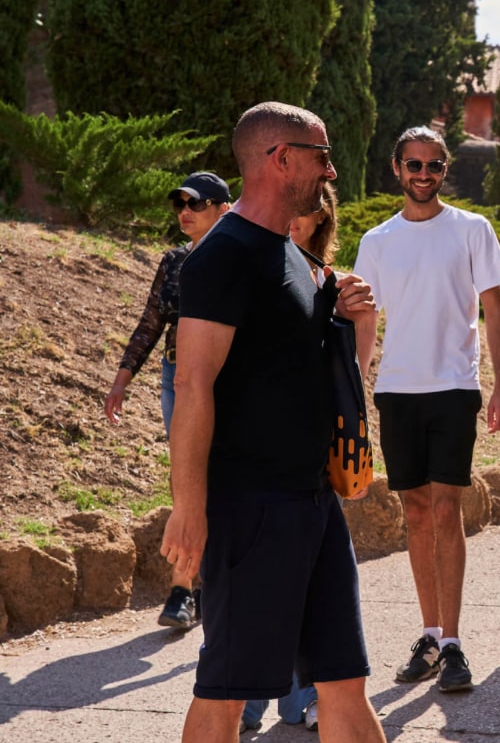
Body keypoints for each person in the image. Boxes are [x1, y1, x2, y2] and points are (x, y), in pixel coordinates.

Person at [160, 102, 385, 743]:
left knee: (344, 682)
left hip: (314, 505)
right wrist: (188, 506)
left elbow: (326, 383)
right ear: (280, 158)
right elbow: (192, 382)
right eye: (321, 156)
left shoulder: (297, 258)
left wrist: (354, 323)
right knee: (227, 691)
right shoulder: (221, 257)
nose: (331, 170)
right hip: (251, 508)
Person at [354, 126, 500, 693]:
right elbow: (366, 319)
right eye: (413, 165)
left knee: (447, 511)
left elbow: (494, 311)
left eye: (434, 166)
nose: (424, 175)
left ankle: (453, 642)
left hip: (453, 389)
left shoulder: (472, 230)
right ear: (396, 169)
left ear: (446, 170)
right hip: (396, 391)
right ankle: (427, 633)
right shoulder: (375, 241)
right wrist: (353, 382)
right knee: (416, 513)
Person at [103, 171, 231, 630]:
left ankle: (217, 586)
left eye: (195, 204)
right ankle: (183, 590)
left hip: (230, 382)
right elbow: (150, 323)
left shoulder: (238, 259)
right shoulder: (174, 261)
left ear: (223, 208)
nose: (185, 213)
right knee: (186, 480)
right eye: (180, 205)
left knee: (225, 482)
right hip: (178, 378)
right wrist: (121, 382)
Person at [238, 182, 339, 735]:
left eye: (309, 214)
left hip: (309, 460)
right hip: (253, 461)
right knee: (256, 595)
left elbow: (349, 378)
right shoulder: (246, 262)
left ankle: (301, 701)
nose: (297, 221)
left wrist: (356, 319)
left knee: (303, 594)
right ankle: (246, 706)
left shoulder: (330, 281)